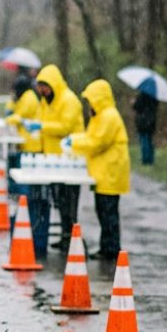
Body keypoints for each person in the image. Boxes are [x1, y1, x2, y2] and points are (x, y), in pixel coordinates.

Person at [64, 80, 129, 260]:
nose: (89, 104)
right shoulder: (101, 116)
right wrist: (76, 138)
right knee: (103, 211)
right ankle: (107, 247)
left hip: (110, 173)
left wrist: (74, 143)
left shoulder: (109, 116)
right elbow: (91, 137)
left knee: (108, 212)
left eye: (91, 100)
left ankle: (111, 249)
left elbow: (97, 143)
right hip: (104, 173)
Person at [31, 65, 85, 256]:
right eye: (39, 87)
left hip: (70, 159)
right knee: (59, 200)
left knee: (69, 200)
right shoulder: (47, 101)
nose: (41, 91)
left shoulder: (68, 100)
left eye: (44, 86)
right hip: (53, 158)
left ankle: (74, 238)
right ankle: (65, 236)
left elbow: (65, 127)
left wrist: (42, 126)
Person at [3, 68, 41, 199]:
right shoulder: (23, 97)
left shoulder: (29, 98)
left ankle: (23, 197)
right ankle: (19, 195)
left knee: (23, 174)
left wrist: (8, 119)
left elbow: (18, 117)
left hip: (30, 142)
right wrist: (12, 101)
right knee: (16, 169)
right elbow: (10, 111)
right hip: (23, 140)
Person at [133, 81, 159, 166]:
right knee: (149, 139)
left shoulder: (141, 96)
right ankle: (151, 159)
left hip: (143, 121)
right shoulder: (154, 97)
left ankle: (145, 159)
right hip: (151, 121)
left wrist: (134, 102)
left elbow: (136, 107)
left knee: (144, 140)